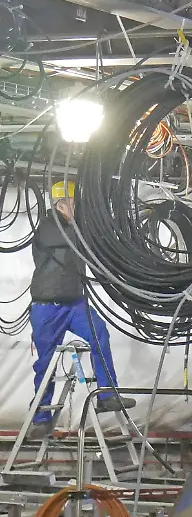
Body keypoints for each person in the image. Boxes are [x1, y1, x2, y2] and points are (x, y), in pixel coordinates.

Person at [29, 180, 134, 438]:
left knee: (100, 333)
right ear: (60, 203)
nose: (76, 209)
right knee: (46, 364)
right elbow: (71, 240)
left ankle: (107, 394)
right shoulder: (49, 226)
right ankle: (40, 418)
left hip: (75, 304)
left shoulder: (76, 229)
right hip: (47, 308)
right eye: (73, 203)